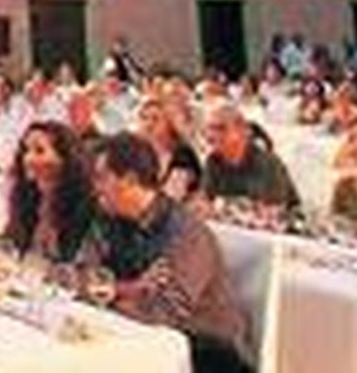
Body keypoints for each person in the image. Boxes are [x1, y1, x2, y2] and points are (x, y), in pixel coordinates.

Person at [84, 132, 253, 373]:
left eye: (101, 178)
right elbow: (79, 277)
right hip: (137, 340)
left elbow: (164, 312)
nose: (95, 187)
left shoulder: (186, 233)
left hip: (206, 354)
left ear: (130, 180)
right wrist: (131, 288)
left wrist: (108, 294)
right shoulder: (108, 219)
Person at [0, 121, 95, 263]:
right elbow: (9, 239)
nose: (28, 158)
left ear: (65, 158)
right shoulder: (26, 196)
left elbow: (77, 261)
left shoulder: (83, 204)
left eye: (39, 151)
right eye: (25, 150)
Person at [202, 104, 302, 212]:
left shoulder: (267, 163)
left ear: (241, 130)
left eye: (220, 128)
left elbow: (269, 211)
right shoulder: (213, 162)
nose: (210, 135)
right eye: (209, 128)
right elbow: (207, 201)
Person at [136, 97, 203, 201]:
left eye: (155, 118)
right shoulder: (138, 153)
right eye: (144, 118)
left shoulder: (182, 154)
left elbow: (173, 198)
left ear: (169, 124)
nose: (148, 124)